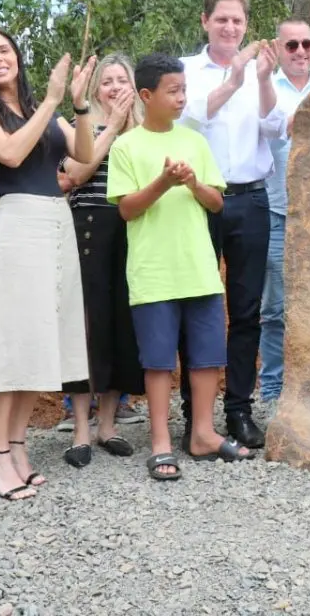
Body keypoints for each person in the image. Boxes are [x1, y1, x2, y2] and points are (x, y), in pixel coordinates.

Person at [0, 27, 95, 500]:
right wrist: (52, 101)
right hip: (18, 225)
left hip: (55, 224)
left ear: (17, 56)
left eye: (4, 50)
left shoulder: (46, 110)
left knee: (39, 340)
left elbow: (84, 155)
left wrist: (78, 106)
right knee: (13, 340)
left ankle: (16, 446)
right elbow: (12, 152)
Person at [108, 53, 254, 480]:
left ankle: (204, 434)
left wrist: (191, 182)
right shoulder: (126, 146)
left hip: (199, 268)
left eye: (184, 90)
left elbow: (217, 202)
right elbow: (127, 211)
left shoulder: (194, 142)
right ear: (146, 95)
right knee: (158, 361)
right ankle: (160, 442)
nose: (181, 99)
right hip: (153, 273)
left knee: (207, 356)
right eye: (173, 91)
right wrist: (162, 182)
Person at [180, 0, 284, 449]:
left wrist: (262, 79)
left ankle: (239, 409)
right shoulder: (185, 70)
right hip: (196, 200)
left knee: (246, 311)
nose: (230, 28)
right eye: (221, 19)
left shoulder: (262, 72)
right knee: (197, 305)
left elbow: (275, 127)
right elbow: (189, 118)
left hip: (250, 201)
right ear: (204, 21)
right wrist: (234, 77)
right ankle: (195, 413)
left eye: (237, 21)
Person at [57, 53, 146, 467]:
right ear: (95, 90)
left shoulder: (147, 131)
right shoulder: (80, 127)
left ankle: (108, 426)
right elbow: (75, 173)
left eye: (121, 80)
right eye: (107, 81)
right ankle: (80, 429)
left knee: (121, 327)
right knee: (85, 329)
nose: (114, 88)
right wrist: (111, 127)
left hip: (133, 234)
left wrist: (129, 128)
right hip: (87, 231)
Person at [260, 21, 310, 403]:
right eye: (293, 44)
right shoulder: (264, 87)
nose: (301, 51)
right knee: (275, 308)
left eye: (307, 43)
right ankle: (271, 389)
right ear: (279, 49)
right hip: (277, 211)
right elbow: (264, 131)